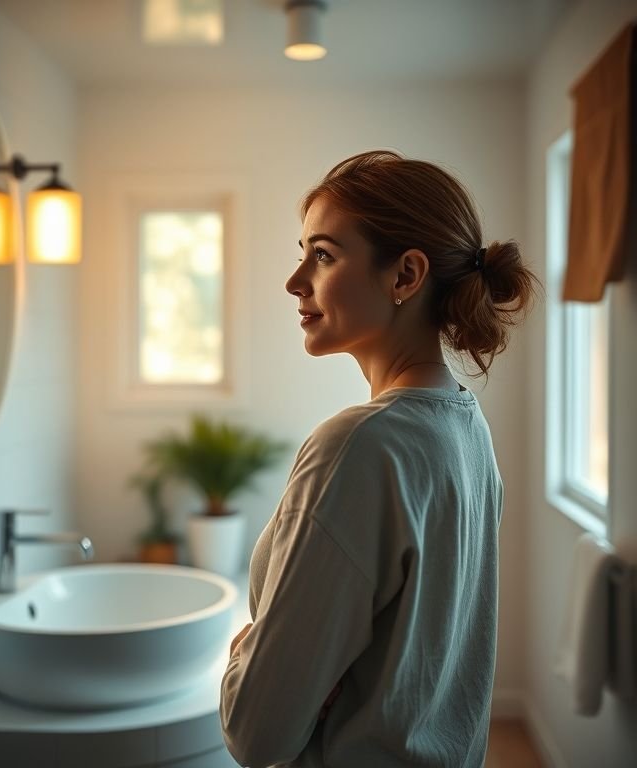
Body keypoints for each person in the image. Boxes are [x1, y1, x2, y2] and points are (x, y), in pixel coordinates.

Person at [219, 149, 539, 768]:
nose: (294, 281)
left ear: (404, 276)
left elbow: (257, 733)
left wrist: (244, 647)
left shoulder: (359, 447)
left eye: (323, 254)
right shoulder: (467, 428)